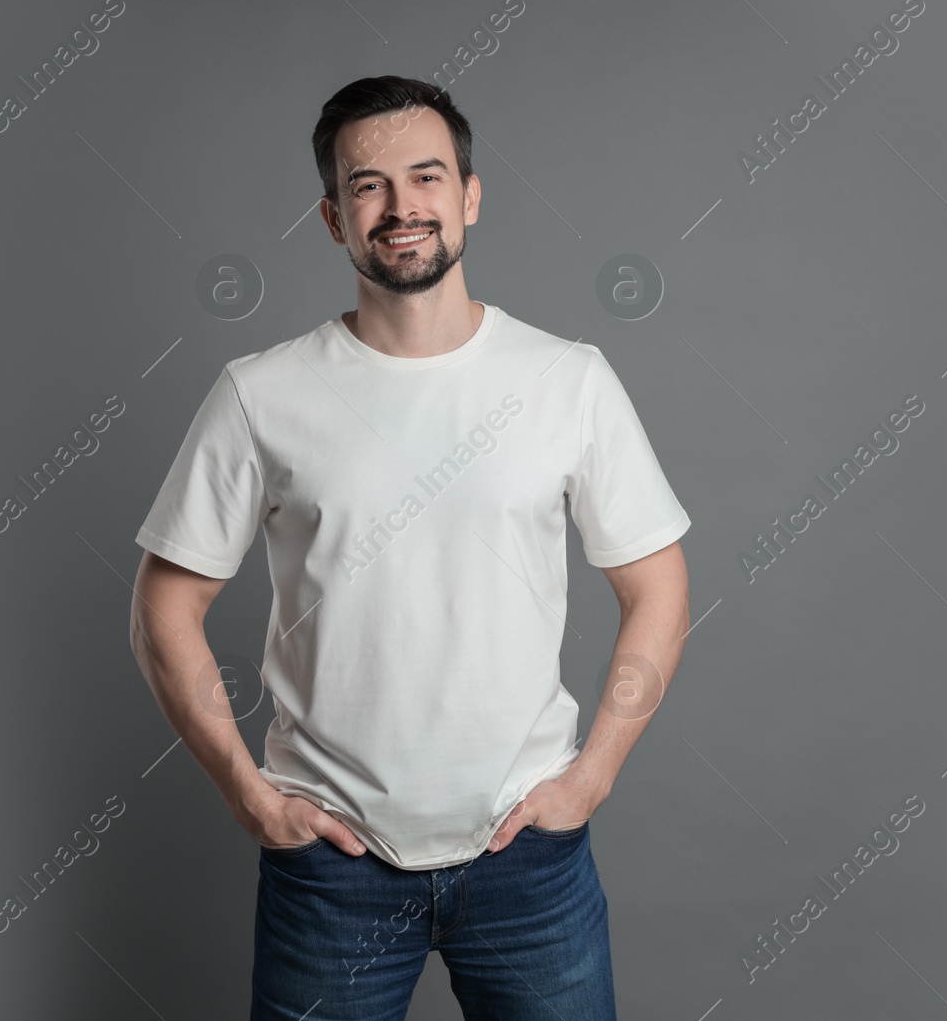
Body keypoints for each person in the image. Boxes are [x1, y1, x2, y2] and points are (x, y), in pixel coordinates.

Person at [129, 75, 691, 1020]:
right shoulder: (261, 395)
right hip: (332, 872)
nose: (402, 207)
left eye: (426, 177)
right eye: (368, 185)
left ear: (469, 196)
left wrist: (591, 776)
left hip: (530, 865)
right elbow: (163, 608)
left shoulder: (567, 380)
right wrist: (250, 795)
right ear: (332, 218)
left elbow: (661, 589)